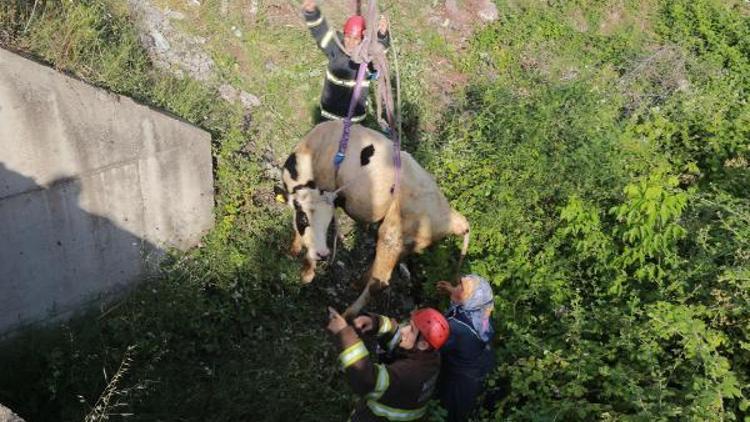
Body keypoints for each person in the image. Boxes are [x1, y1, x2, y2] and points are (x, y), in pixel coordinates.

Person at [326, 306, 450, 421]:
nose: (403, 330)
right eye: (409, 324)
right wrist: (375, 323)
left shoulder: (410, 374)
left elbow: (366, 380)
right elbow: (400, 342)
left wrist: (344, 334)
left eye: (411, 330)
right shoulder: (430, 356)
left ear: (423, 344)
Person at [302, 0, 390, 123]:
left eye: (356, 39)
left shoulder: (366, 56)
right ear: (344, 35)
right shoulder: (335, 47)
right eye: (348, 36)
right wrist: (312, 12)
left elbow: (379, 54)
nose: (351, 42)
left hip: (354, 119)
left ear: (362, 39)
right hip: (329, 115)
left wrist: (382, 35)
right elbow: (320, 31)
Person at [435, 274, 496, 422]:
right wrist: (453, 291)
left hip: (459, 380)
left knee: (449, 414)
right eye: (459, 284)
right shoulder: (482, 312)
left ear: (472, 300)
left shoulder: (457, 329)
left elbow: (432, 346)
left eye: (462, 288)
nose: (456, 288)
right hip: (479, 367)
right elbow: (469, 301)